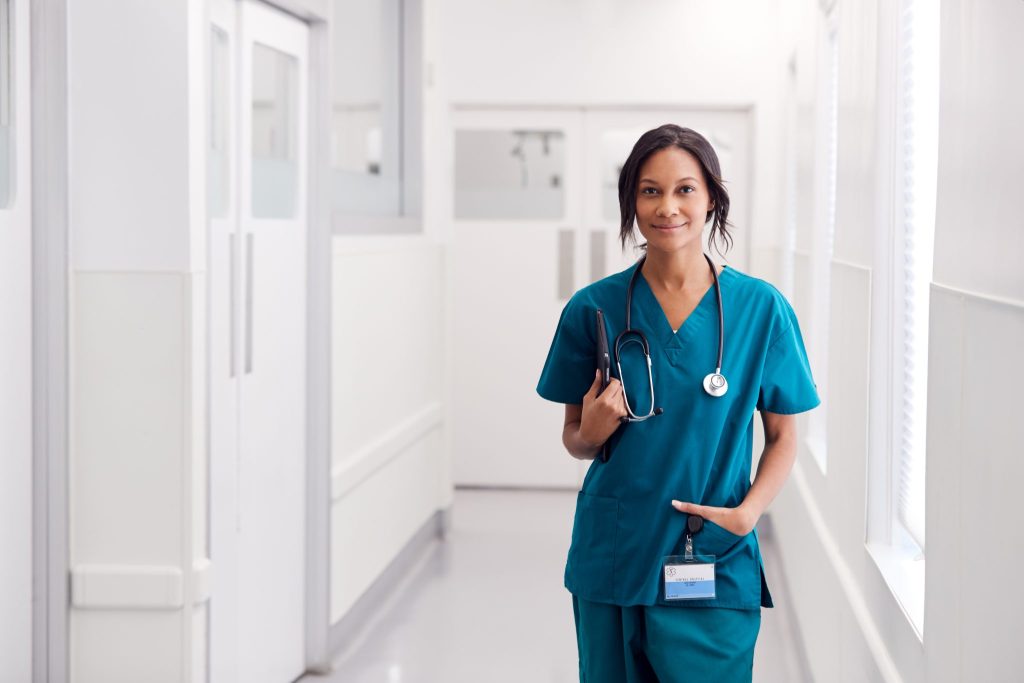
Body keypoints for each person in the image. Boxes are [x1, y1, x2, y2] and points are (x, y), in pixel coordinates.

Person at [535, 124, 820, 683]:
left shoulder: (761, 310)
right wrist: (591, 429)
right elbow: (574, 438)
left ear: (712, 197)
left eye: (685, 189)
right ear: (631, 202)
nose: (668, 207)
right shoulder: (593, 309)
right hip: (614, 552)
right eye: (649, 190)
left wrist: (748, 513)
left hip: (712, 553)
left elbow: (785, 436)